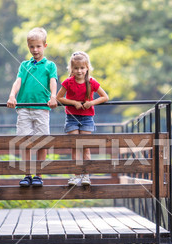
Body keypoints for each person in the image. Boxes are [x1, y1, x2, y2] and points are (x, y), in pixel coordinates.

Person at [7, 27, 58, 187]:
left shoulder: (50, 65)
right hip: (23, 108)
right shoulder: (24, 65)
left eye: (38, 46)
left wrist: (53, 96)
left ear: (45, 46)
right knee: (24, 141)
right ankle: (27, 174)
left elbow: (53, 81)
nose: (35, 50)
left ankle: (39, 175)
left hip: (41, 108)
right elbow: (18, 81)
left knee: (42, 140)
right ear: (28, 46)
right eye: (31, 47)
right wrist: (12, 95)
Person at [57, 51, 109, 186]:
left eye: (82, 68)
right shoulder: (68, 82)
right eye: (76, 68)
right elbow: (59, 98)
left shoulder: (92, 82)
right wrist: (73, 102)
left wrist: (91, 103)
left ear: (87, 68)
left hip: (87, 118)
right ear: (71, 69)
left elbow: (105, 97)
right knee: (75, 146)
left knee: (85, 147)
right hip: (72, 117)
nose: (79, 71)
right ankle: (76, 175)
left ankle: (86, 175)